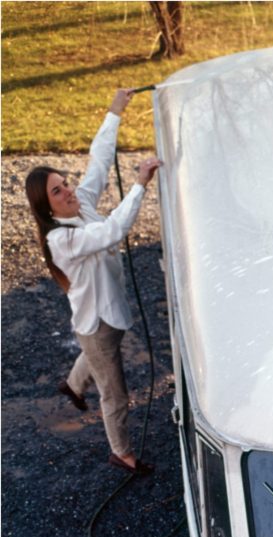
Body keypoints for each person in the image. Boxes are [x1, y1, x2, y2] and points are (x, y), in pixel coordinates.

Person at [25, 88, 161, 475]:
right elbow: (112, 231)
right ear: (46, 206)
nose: (67, 190)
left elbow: (99, 161)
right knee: (114, 391)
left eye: (64, 182)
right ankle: (122, 452)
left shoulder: (80, 201)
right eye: (57, 191)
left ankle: (72, 385)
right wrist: (140, 184)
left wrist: (115, 111)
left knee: (100, 353)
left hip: (106, 317)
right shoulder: (61, 240)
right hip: (96, 324)